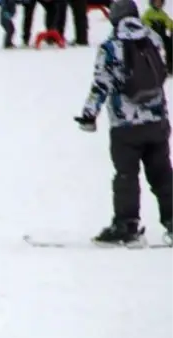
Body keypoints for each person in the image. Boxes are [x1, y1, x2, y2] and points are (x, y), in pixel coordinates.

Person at [76, 0, 173, 245]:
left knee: (126, 176)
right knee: (162, 174)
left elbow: (101, 84)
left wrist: (89, 115)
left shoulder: (112, 46)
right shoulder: (153, 39)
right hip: (157, 122)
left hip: (125, 125)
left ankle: (126, 225)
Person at [143, 0, 173, 71]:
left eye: (160, 2)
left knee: (170, 45)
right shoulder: (148, 12)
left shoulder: (162, 13)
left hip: (161, 35)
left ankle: (170, 65)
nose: (159, 4)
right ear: (152, 2)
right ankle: (153, 67)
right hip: (152, 35)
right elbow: (144, 20)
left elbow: (169, 22)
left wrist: (170, 27)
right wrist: (151, 25)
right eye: (157, 2)